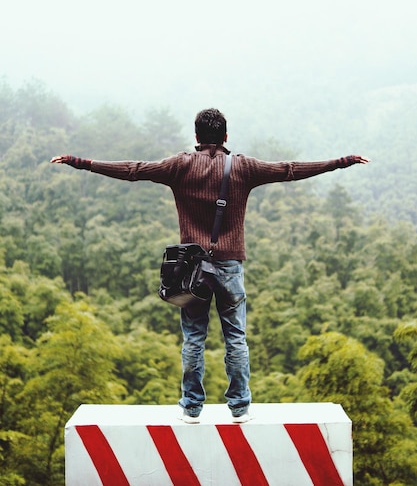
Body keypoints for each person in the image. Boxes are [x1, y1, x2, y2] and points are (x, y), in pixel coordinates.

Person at [51, 107, 369, 424]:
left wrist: (80, 163)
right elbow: (289, 169)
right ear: (226, 136)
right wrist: (341, 162)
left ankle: (191, 408)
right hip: (230, 264)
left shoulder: (180, 165)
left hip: (191, 270)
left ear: (196, 137)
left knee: (193, 337)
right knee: (235, 337)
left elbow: (134, 169)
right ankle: (240, 407)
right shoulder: (244, 167)